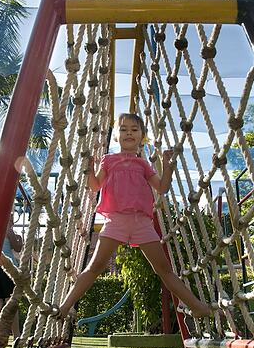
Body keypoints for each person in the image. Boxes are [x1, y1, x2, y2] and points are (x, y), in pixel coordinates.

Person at [59, 113, 213, 319]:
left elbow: (162, 187)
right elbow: (95, 185)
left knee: (164, 269)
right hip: (115, 221)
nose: (128, 133)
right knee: (95, 266)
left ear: (142, 136)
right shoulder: (109, 160)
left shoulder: (142, 164)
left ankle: (196, 305)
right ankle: (66, 305)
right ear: (116, 136)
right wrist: (89, 167)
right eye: (123, 129)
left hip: (142, 223)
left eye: (134, 129)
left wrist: (167, 166)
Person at [0, 214, 22, 339]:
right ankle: (16, 334)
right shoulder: (8, 230)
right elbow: (17, 248)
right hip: (7, 268)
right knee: (11, 301)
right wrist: (18, 237)